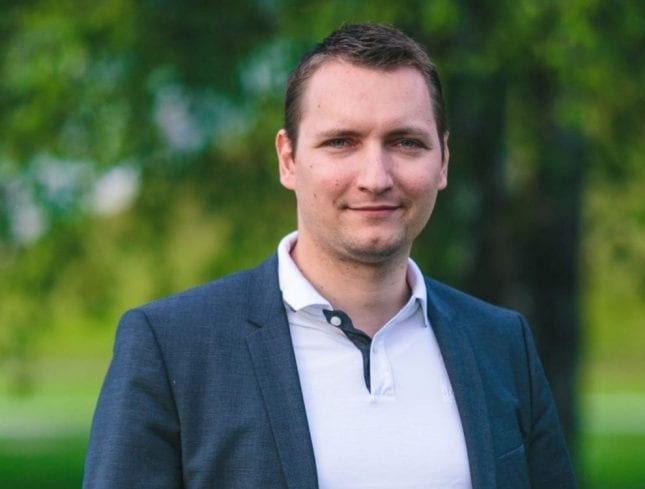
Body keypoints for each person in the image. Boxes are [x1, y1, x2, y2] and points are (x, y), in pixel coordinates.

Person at [83, 23, 577, 489]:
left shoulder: (501, 343)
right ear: (288, 159)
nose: (375, 178)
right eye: (341, 142)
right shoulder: (173, 348)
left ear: (443, 160)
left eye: (406, 142)